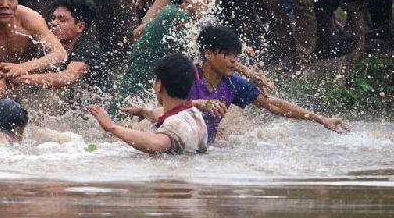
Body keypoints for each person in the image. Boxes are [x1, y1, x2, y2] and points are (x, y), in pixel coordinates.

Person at [125, 26, 350, 142]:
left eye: (236, 55)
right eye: (229, 55)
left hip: (201, 149)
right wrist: (199, 103)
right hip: (169, 143)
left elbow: (273, 105)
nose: (234, 60)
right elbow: (165, 111)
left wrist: (321, 119)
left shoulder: (233, 84)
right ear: (209, 54)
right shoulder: (186, 75)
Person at [119, 0, 215, 97]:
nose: (209, 2)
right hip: (138, 96)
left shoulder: (171, 13)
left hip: (142, 94)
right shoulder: (176, 15)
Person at [89, 53, 209, 155]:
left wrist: (112, 127)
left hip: (172, 179)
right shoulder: (193, 113)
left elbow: (156, 143)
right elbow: (161, 114)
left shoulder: (176, 123)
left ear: (159, 85)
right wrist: (142, 111)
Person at [15, 0, 104, 89]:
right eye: (53, 18)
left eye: (61, 20)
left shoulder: (88, 47)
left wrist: (23, 79)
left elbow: (69, 77)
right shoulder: (49, 48)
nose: (53, 23)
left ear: (80, 27)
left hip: (96, 101)